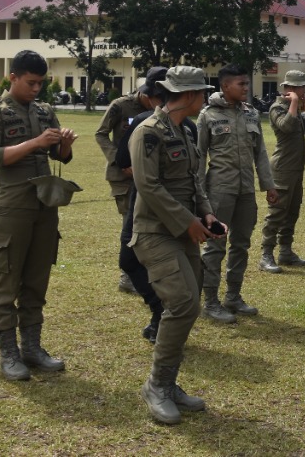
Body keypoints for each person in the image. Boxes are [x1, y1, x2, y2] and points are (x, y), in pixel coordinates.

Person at [129, 66, 223, 424]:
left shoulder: (185, 130)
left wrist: (207, 214)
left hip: (185, 231)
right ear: (187, 95)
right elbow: (149, 186)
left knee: (189, 303)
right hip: (155, 233)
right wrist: (188, 222)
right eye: (201, 93)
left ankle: (168, 382)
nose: (204, 98)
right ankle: (156, 386)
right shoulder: (148, 133)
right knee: (182, 302)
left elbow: (194, 179)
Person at [0, 50, 77, 381]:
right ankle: (9, 353)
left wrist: (63, 145)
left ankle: (32, 347)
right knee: (7, 279)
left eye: (41, 84)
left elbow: (59, 156)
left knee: (36, 279)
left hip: (44, 205)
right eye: (30, 83)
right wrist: (35, 142)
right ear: (13, 77)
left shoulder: (45, 111)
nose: (36, 89)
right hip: (12, 205)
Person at [196, 64, 277, 324]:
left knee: (241, 244)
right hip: (219, 190)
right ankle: (210, 301)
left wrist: (269, 185)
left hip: (246, 190)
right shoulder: (207, 116)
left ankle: (233, 296)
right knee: (215, 246)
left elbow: (260, 152)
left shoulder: (251, 114)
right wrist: (199, 198)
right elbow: (198, 158)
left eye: (246, 83)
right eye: (240, 84)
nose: (246, 88)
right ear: (225, 86)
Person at [95, 69, 164, 293]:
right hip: (123, 177)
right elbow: (101, 133)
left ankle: (147, 272)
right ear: (145, 93)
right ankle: (128, 277)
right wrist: (119, 161)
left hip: (150, 176)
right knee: (131, 224)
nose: (158, 104)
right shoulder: (120, 106)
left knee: (148, 224)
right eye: (155, 98)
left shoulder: (162, 110)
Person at [259, 70, 305, 273]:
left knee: (292, 211)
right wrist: (294, 104)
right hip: (282, 170)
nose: (304, 90)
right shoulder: (277, 108)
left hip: (296, 169)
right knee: (276, 213)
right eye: (301, 87)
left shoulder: (294, 108)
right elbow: (287, 127)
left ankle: (285, 251)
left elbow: (304, 128)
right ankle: (266, 254)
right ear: (290, 88)